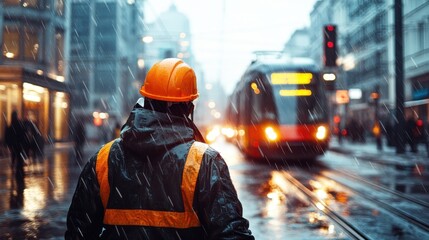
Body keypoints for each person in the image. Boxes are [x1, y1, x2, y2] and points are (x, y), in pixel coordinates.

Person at [65, 58, 254, 240]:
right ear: (189, 107)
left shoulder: (103, 160)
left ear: (146, 100)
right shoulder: (204, 162)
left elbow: (78, 232)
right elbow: (231, 233)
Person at [4, 111, 27, 184]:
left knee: (14, 157)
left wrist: (8, 144)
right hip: (19, 146)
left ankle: (15, 169)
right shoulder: (19, 125)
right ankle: (19, 173)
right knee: (19, 159)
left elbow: (7, 136)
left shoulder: (11, 126)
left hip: (14, 146)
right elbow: (24, 134)